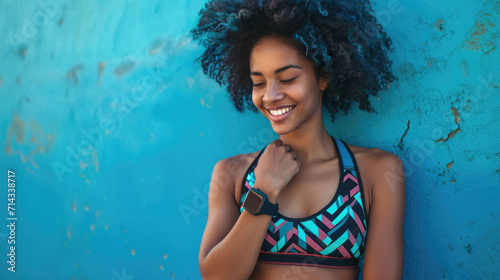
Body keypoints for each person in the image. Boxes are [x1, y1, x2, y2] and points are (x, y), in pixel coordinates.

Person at [191, 0, 406, 279]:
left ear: (323, 76)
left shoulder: (377, 171)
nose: (270, 96)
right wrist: (264, 191)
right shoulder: (233, 175)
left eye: (288, 78)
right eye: (259, 83)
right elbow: (217, 276)